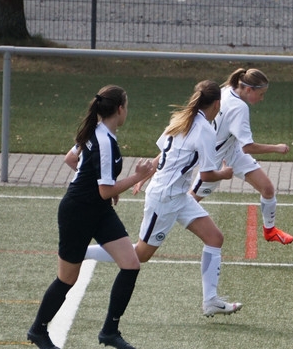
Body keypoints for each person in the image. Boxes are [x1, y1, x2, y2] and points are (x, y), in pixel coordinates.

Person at [84, 80, 242, 316]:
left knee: (215, 238)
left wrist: (145, 176)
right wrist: (226, 174)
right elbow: (208, 174)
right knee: (140, 255)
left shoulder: (180, 119)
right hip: (166, 199)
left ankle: (210, 301)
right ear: (217, 103)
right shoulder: (204, 129)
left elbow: (163, 153)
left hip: (177, 196)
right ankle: (82, 251)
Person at [27, 85, 156, 349]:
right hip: (78, 212)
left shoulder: (97, 132)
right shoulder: (104, 140)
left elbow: (72, 159)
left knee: (131, 264)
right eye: (127, 106)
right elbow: (104, 189)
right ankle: (38, 329)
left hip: (99, 210)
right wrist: (138, 176)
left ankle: (110, 330)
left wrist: (101, 184)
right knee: (67, 279)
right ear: (120, 109)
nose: (127, 112)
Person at [192, 67, 293, 244]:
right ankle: (154, 230)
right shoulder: (239, 108)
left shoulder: (227, 90)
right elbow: (248, 147)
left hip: (234, 152)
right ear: (248, 89)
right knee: (189, 202)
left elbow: (241, 147)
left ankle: (270, 231)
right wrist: (276, 148)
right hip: (216, 160)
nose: (262, 99)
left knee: (267, 189)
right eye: (261, 94)